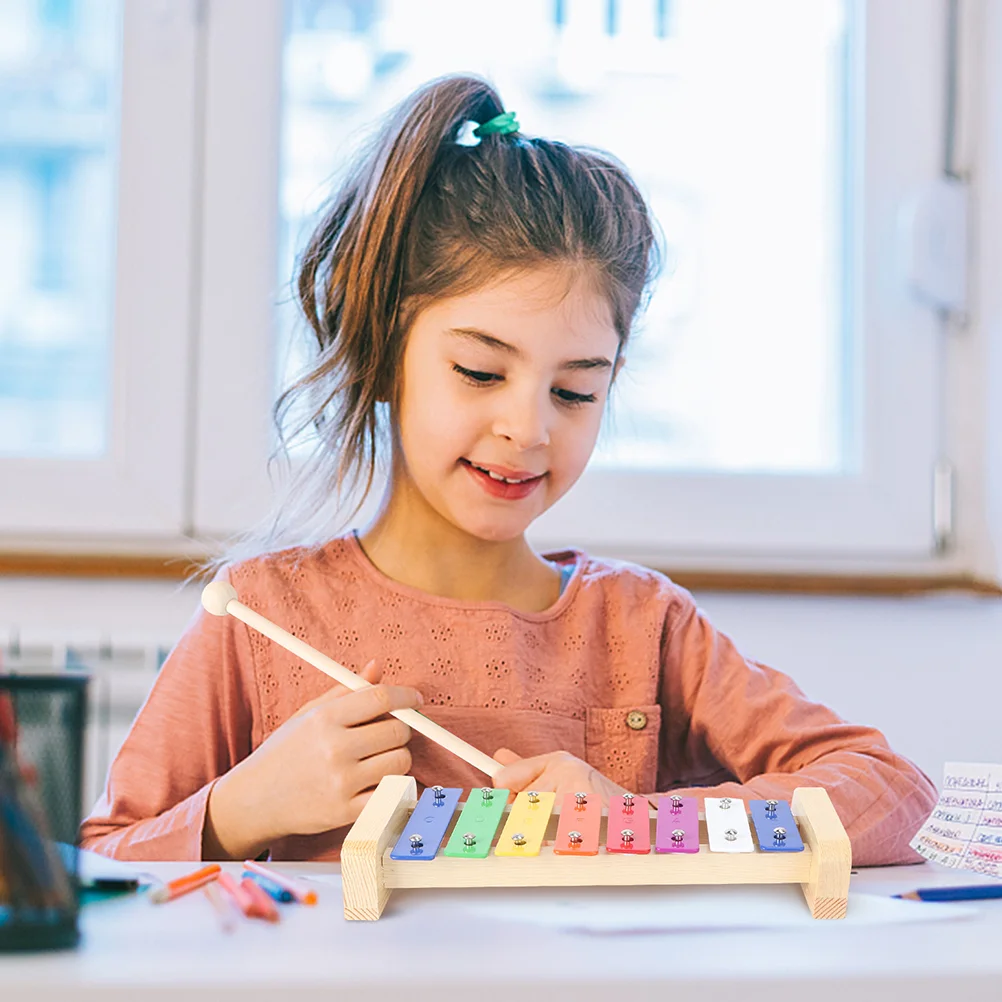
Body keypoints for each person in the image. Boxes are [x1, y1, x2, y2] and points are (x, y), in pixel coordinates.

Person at [79, 75, 936, 864]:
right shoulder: (261, 617)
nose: (527, 429)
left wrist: (636, 824)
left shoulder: (642, 628)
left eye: (573, 391)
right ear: (384, 350)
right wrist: (238, 809)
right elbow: (99, 867)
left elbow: (895, 794)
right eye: (481, 373)